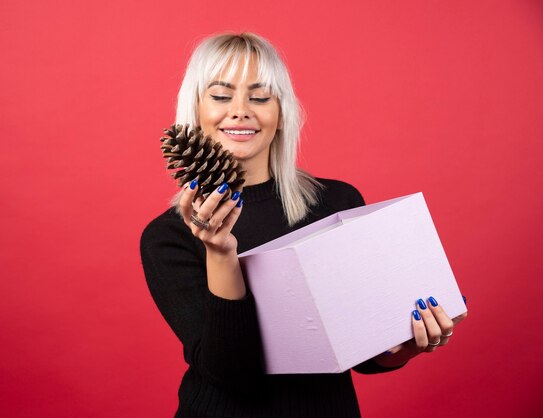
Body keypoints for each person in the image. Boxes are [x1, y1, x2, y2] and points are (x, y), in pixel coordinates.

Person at [140, 32, 466, 418]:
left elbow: (362, 354)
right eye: (222, 95)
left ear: (281, 114)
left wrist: (407, 346)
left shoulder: (337, 203)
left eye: (260, 97)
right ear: (195, 110)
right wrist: (221, 253)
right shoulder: (169, 237)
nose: (241, 110)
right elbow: (231, 376)